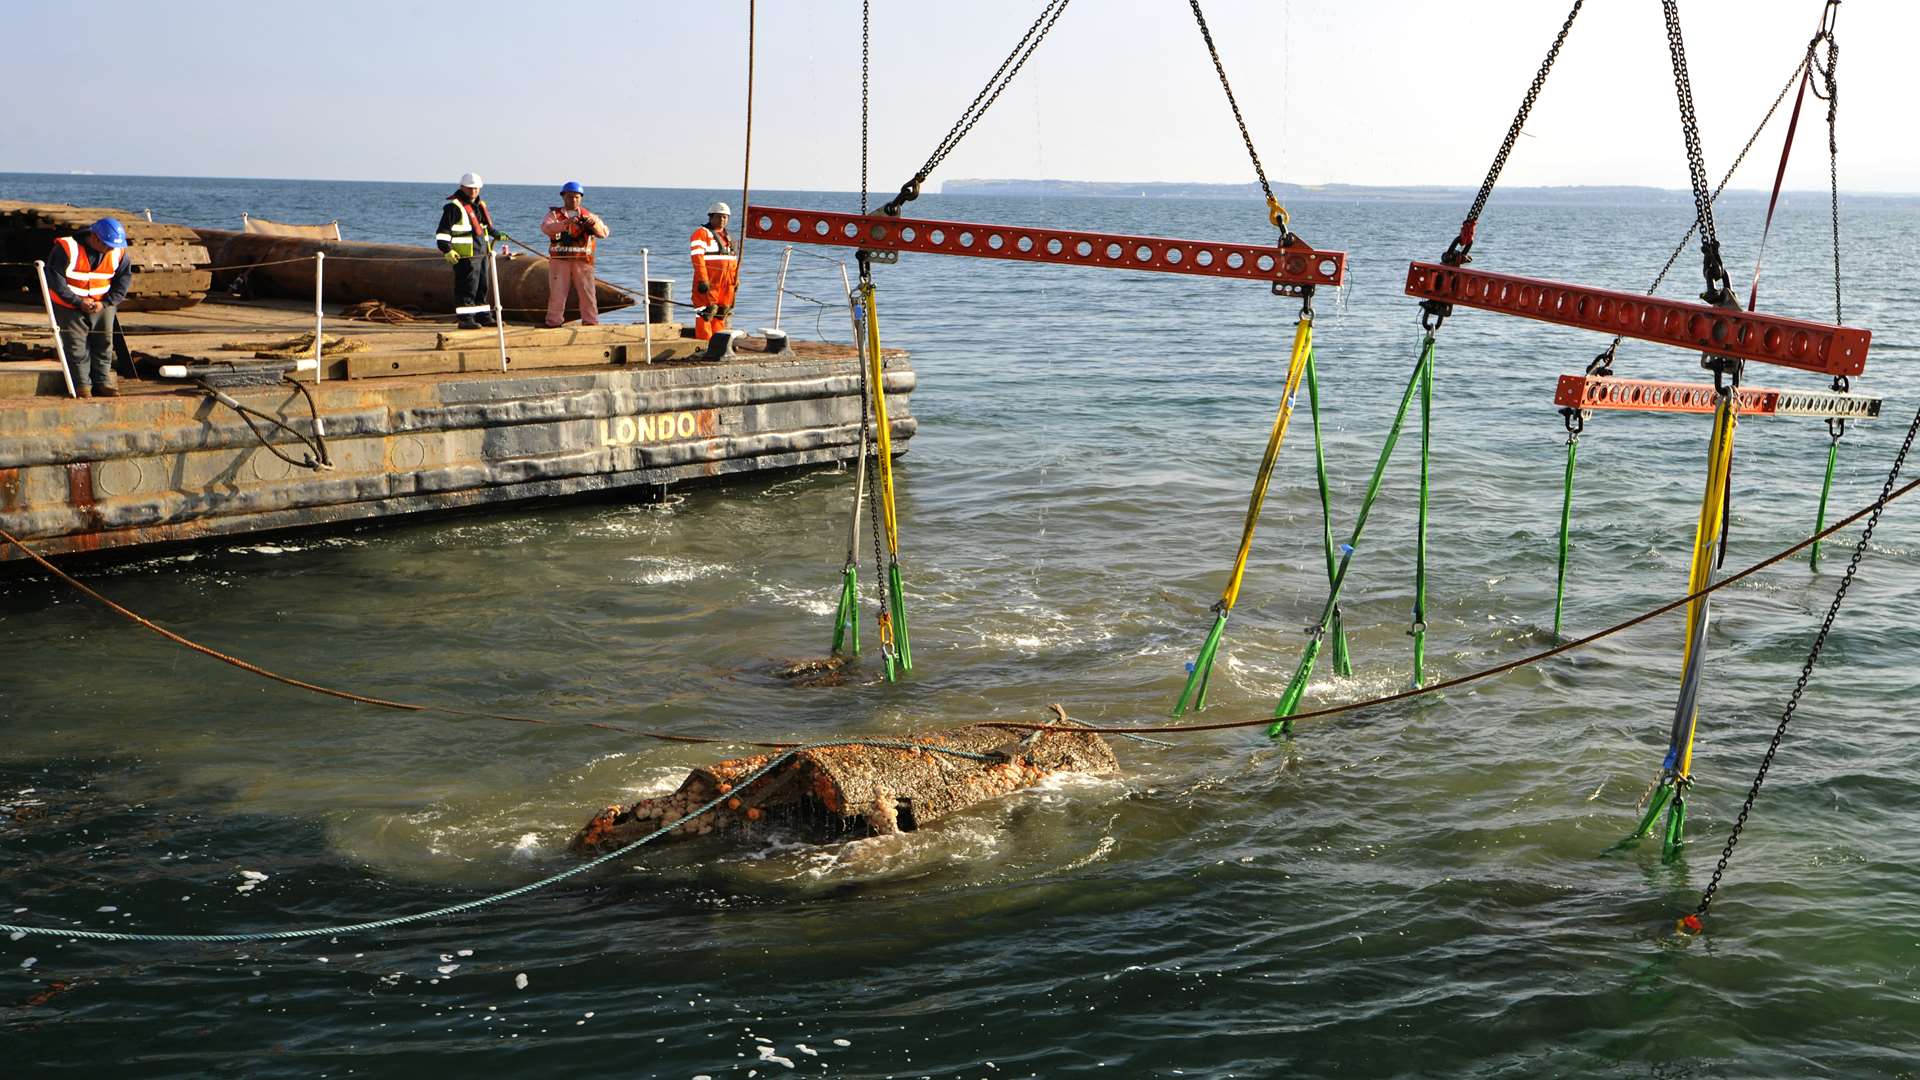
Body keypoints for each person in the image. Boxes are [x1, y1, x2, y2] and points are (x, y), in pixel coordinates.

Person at [44, 218, 134, 398]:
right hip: (68, 306)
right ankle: (82, 386)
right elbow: (55, 279)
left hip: (103, 304)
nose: (111, 249)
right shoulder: (66, 248)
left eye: (113, 246)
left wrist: (107, 302)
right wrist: (77, 302)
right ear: (94, 238)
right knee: (76, 345)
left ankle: (102, 382)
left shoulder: (119, 252)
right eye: (107, 245)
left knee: (104, 343)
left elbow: (124, 278)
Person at [434, 172, 507, 329]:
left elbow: (483, 227)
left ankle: (483, 316)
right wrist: (447, 250)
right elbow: (442, 232)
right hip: (465, 255)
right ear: (462, 187)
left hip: (481, 253)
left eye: (476, 188)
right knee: (467, 287)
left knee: (482, 286)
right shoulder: (454, 208)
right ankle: (465, 319)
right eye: (470, 188)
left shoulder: (479, 206)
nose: (473, 191)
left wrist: (495, 233)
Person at [539, 181, 610, 328]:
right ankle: (554, 322)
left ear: (581, 198)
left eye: (577, 197)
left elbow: (604, 233)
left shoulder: (588, 215)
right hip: (560, 260)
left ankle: (590, 322)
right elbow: (546, 228)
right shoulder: (554, 215)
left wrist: (593, 225)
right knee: (557, 293)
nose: (574, 200)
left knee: (588, 293)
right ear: (563, 197)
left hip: (583, 261)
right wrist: (566, 223)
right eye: (570, 197)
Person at [689, 201, 738, 341]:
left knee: (722, 312)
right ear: (711, 217)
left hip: (726, 283)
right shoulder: (701, 234)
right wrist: (702, 279)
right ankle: (705, 342)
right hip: (709, 281)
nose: (723, 220)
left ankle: (718, 342)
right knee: (705, 311)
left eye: (725, 217)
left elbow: (733, 261)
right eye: (719, 216)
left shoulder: (729, 238)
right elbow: (697, 259)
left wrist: (736, 280)